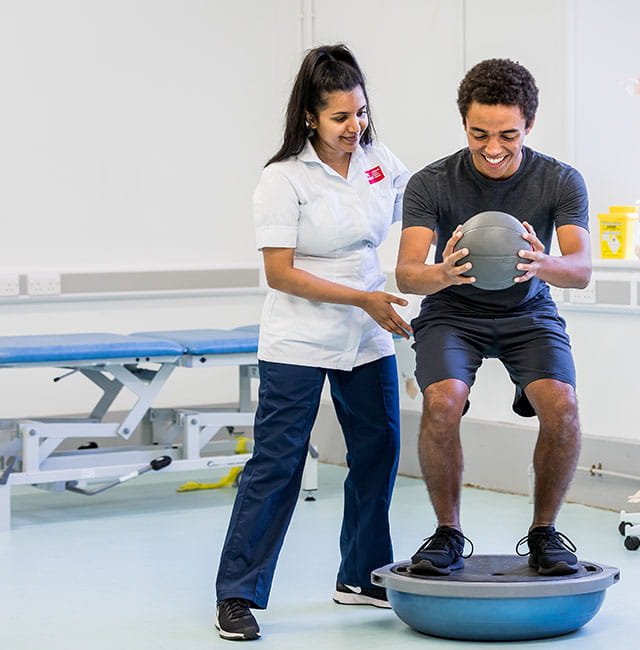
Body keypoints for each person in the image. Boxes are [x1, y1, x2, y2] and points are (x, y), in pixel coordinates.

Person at [214, 44, 412, 641]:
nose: (356, 128)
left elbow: (421, 208)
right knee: (277, 464)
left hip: (367, 332)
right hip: (300, 336)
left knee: (378, 453)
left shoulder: (378, 160)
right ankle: (236, 594)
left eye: (361, 113)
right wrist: (362, 299)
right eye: (341, 118)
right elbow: (281, 273)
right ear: (310, 117)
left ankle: (362, 575)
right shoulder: (283, 179)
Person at [394, 58, 591, 577]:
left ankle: (545, 534)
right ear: (464, 124)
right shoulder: (431, 183)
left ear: (529, 124)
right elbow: (407, 275)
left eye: (508, 134)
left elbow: (581, 269)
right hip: (453, 313)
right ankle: (448, 534)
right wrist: (445, 272)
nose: (493, 148)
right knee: (442, 401)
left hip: (529, 311)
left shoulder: (560, 180)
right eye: (479, 134)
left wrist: (540, 263)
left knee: (562, 405)